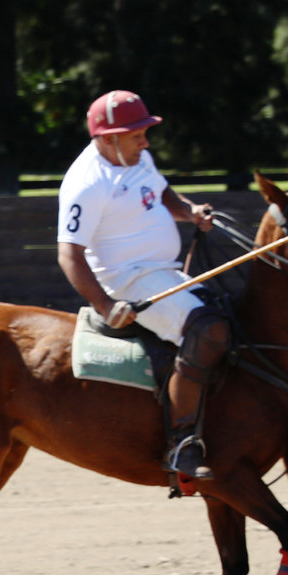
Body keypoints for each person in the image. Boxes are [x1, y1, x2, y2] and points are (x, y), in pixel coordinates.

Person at [55, 90, 222, 480]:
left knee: (230, 312)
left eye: (145, 132)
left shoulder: (137, 157)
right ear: (107, 138)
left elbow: (160, 192)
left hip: (164, 271)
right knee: (206, 329)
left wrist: (188, 211)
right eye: (136, 134)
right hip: (128, 281)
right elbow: (69, 255)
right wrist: (105, 305)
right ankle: (181, 443)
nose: (145, 141)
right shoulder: (87, 183)